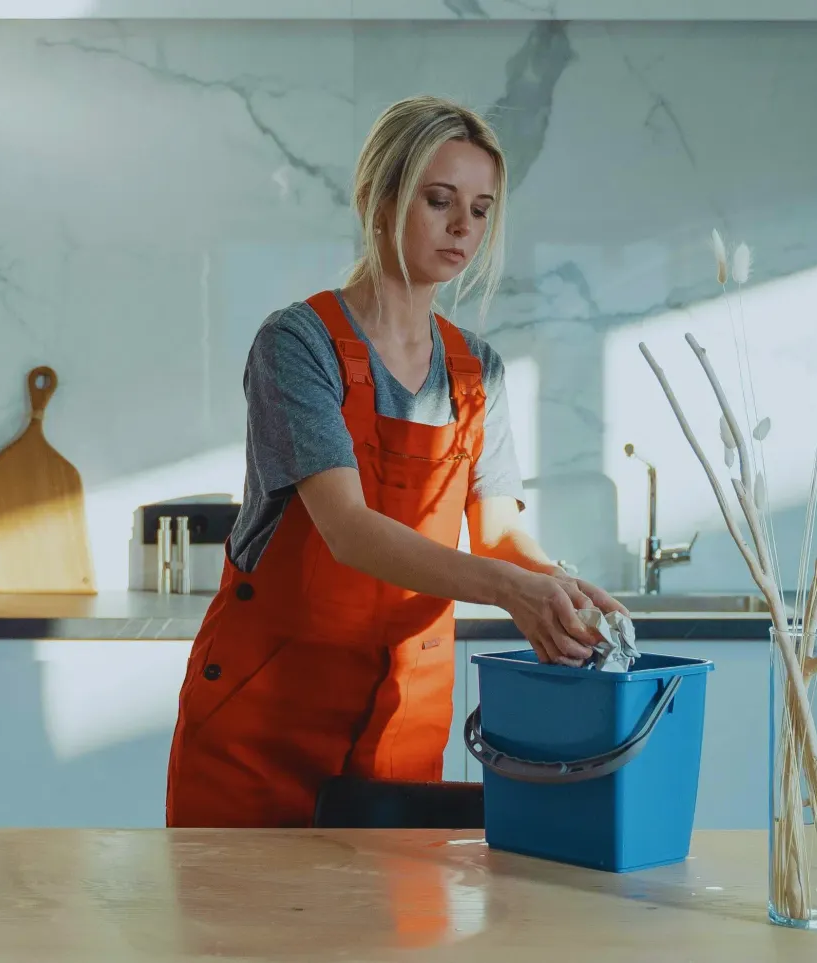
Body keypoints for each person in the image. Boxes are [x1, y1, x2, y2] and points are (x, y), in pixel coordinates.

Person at [165, 95, 628, 829]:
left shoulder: (477, 371)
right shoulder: (299, 344)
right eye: (439, 200)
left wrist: (561, 588)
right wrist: (513, 591)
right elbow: (348, 530)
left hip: (402, 720)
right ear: (378, 200)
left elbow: (500, 535)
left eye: (480, 209)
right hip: (265, 724)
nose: (462, 227)